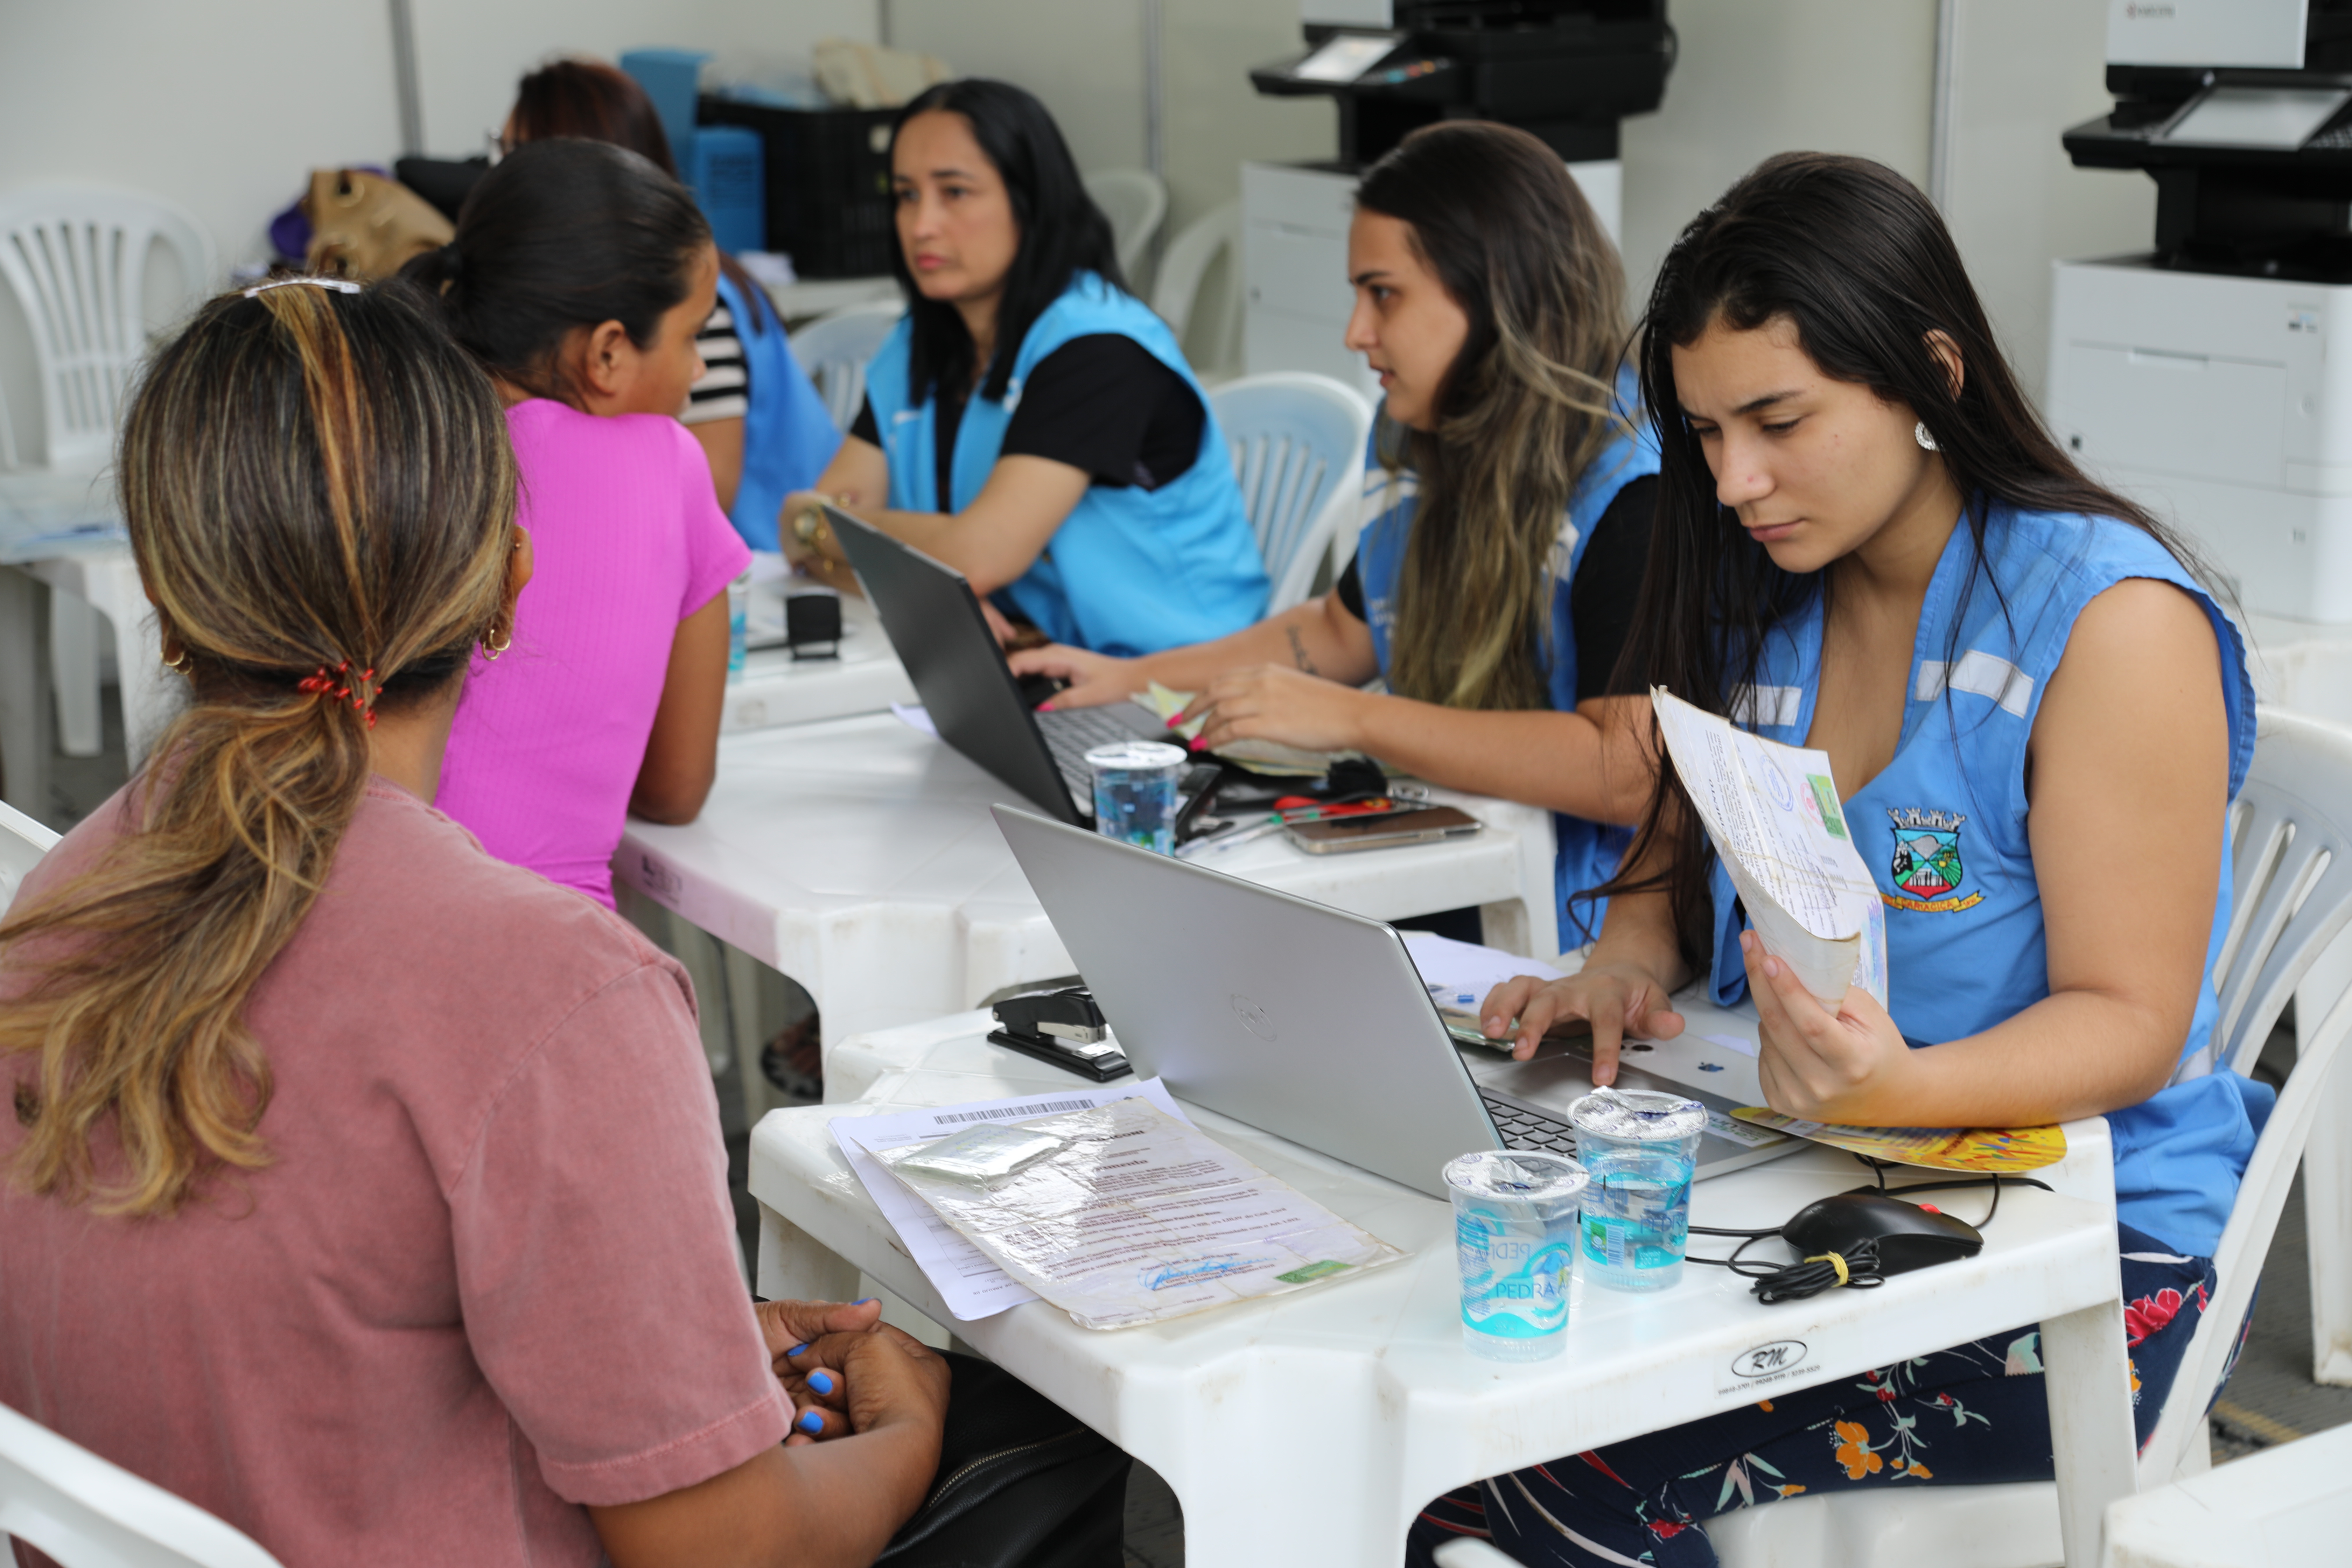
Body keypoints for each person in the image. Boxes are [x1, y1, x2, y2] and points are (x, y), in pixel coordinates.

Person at [0, 276, 948, 1567]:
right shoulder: (555, 995)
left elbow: (303, 1322)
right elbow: (730, 1552)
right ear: (510, 580)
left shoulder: (53, 903)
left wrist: (690, 1359)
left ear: (167, 602)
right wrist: (918, 1436)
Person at [1422, 153, 2270, 1568]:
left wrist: (1908, 1090)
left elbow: (2133, 1023)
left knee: (1517, 1506)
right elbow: (1666, 846)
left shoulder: (2109, 624)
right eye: (1703, 431)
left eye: (1779, 419)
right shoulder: (1768, 589)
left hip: (2085, 1252)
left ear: (1929, 373)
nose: (1735, 477)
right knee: (1466, 1421)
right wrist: (1621, 968)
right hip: (1830, 1187)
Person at [1013, 120, 1662, 944]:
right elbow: (1340, 630)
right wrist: (1132, 678)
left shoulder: (1634, 489)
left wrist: (1355, 720)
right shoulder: (1417, 436)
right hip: (1435, 859)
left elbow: (1625, 769)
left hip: (1563, 925)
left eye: (1383, 293)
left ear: (1500, 290)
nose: (1356, 332)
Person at [782, 77, 1268, 657]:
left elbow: (977, 555)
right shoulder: (917, 345)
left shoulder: (1099, 350)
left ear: (1029, 201)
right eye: (907, 195)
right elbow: (805, 548)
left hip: (1172, 687)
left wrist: (820, 522)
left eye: (955, 193)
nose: (921, 225)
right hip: (1029, 666)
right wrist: (923, 585)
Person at [402, 138, 749, 906]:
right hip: (534, 954)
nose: (698, 370)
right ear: (608, 352)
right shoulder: (665, 461)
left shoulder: (393, 439)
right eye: (693, 335)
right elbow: (675, 786)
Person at [503, 57, 843, 546]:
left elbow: (710, 504)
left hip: (769, 564)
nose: (497, 176)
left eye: (514, 154)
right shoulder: (608, 287)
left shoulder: (689, 298)